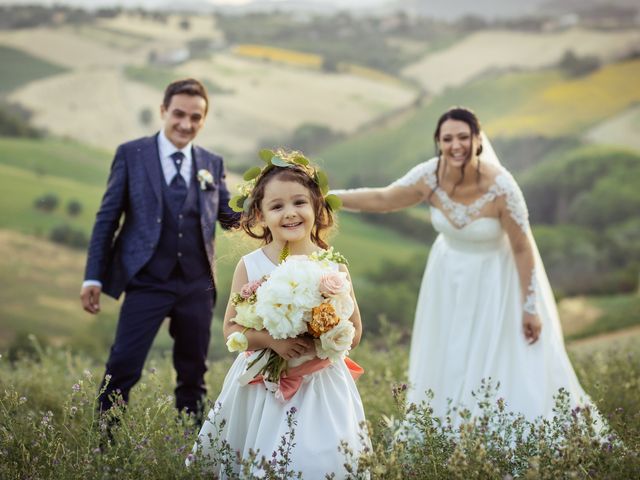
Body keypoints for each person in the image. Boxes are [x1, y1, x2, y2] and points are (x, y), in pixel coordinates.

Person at [331, 107, 594, 422]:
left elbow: (523, 249)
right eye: (448, 138)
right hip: (447, 280)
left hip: (497, 282)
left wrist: (530, 306)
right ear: (438, 142)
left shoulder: (502, 187)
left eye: (463, 137)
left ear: (477, 139)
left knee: (498, 360)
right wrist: (330, 196)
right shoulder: (430, 176)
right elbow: (384, 198)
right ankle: (451, 429)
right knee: (450, 356)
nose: (456, 145)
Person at [188, 152, 369, 477]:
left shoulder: (333, 266)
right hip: (264, 387)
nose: (290, 213)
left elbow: (354, 328)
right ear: (260, 214)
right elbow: (231, 328)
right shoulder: (253, 265)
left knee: (324, 460)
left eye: (299, 202)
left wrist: (328, 338)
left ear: (316, 206)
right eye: (277, 206)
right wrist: (272, 341)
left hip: (321, 383)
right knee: (265, 458)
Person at [80, 78, 240, 420]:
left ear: (203, 120)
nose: (186, 124)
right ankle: (103, 450)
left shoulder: (212, 163)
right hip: (147, 281)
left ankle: (191, 453)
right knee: (122, 368)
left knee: (194, 376)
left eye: (196, 117)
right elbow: (107, 219)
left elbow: (230, 218)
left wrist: (273, 201)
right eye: (179, 114)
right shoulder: (131, 154)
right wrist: (93, 276)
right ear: (164, 111)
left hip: (197, 285)